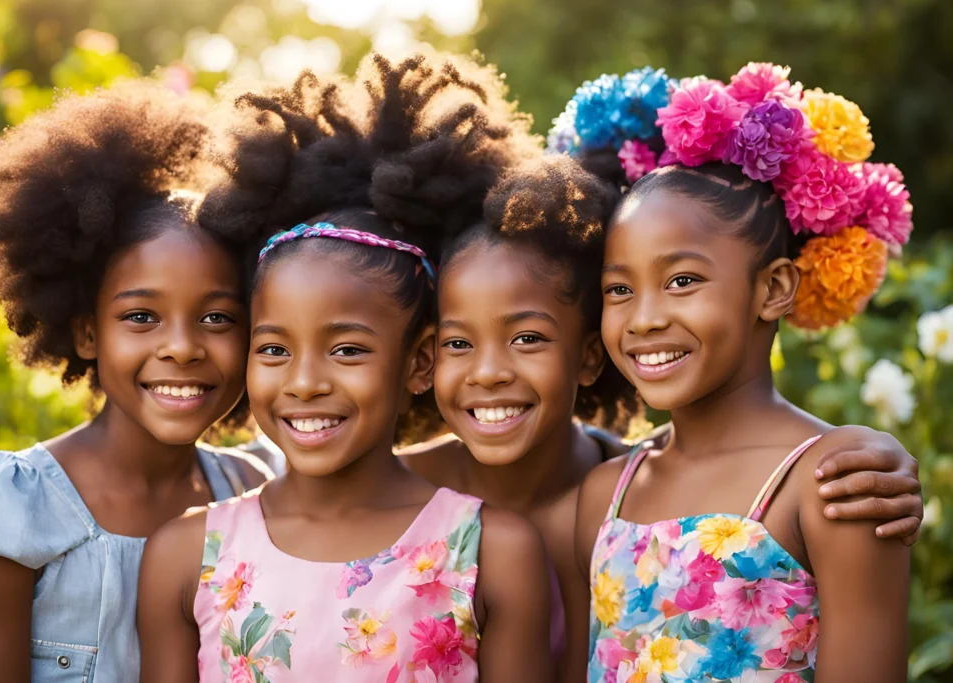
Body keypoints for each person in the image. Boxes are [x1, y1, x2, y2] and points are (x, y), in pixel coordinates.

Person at [137, 52, 552, 683]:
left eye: (347, 349)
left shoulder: (494, 553)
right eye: (274, 349)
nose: (304, 382)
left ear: (418, 361)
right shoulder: (186, 555)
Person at [573, 63, 913, 681]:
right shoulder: (606, 496)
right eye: (618, 289)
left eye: (682, 281)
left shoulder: (838, 482)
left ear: (774, 288)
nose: (644, 318)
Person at [0, 82, 271, 683]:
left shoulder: (251, 492)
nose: (182, 347)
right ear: (86, 334)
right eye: (141, 316)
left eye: (218, 317)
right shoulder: (12, 511)